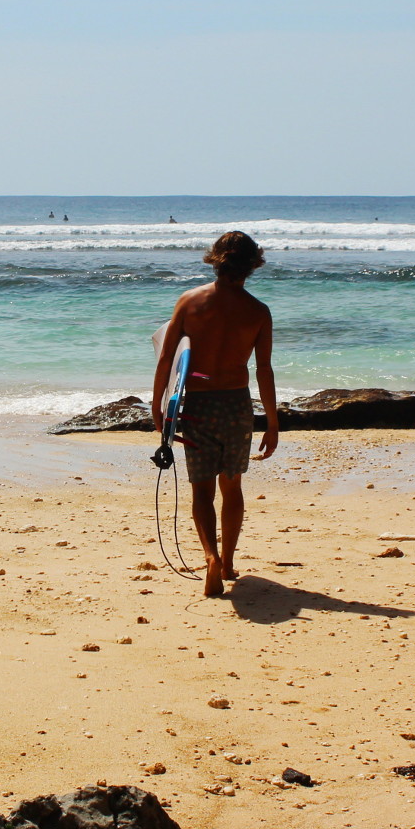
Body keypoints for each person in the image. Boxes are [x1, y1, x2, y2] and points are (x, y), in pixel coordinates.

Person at [153, 231, 279, 598]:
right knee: (233, 486)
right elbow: (264, 371)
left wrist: (158, 404)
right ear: (254, 263)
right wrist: (272, 422)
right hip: (237, 406)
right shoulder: (258, 311)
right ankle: (227, 562)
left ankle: (208, 558)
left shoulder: (190, 302)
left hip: (199, 406)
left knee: (202, 491)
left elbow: (166, 359)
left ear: (215, 258)